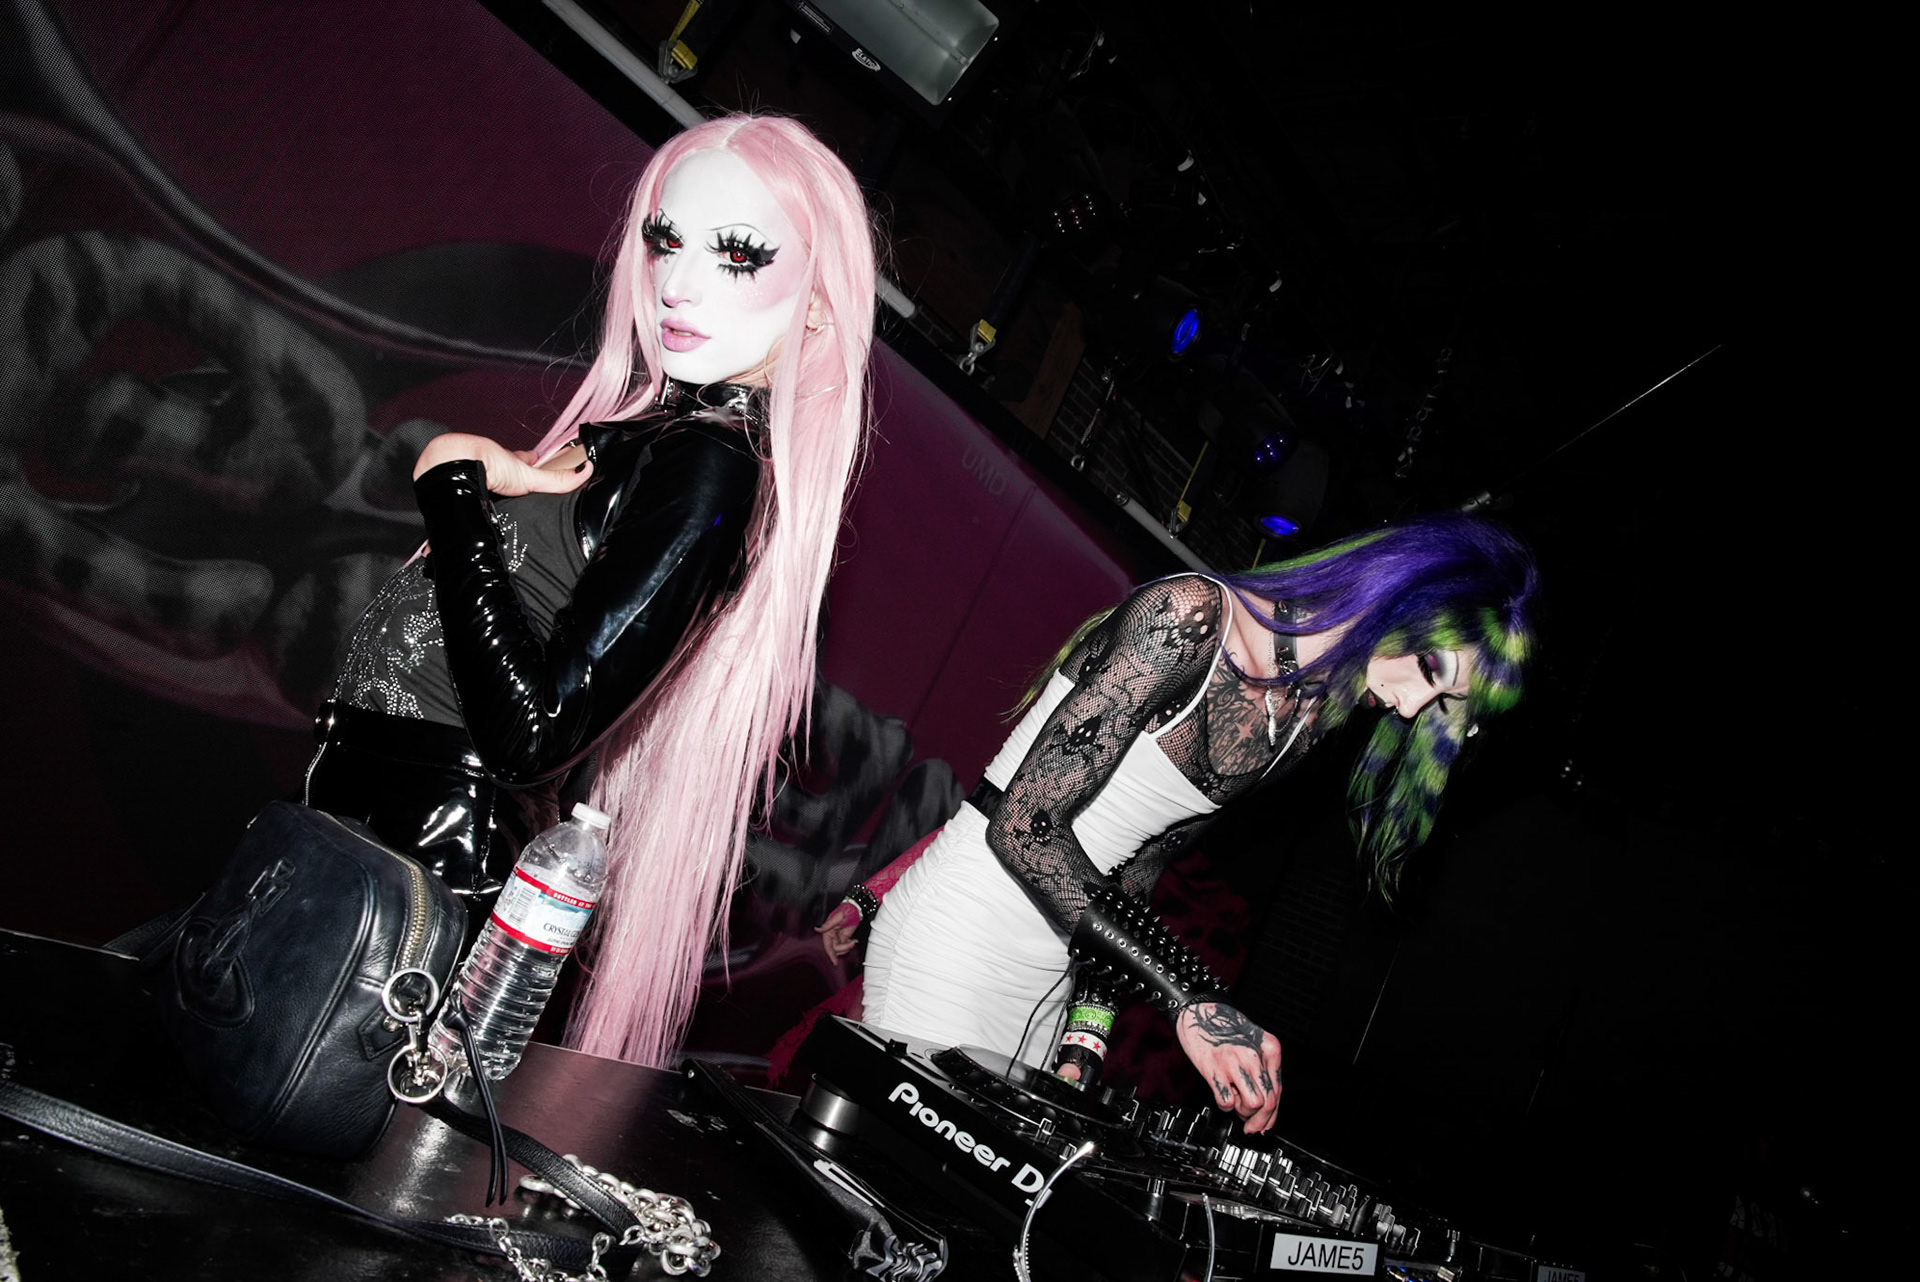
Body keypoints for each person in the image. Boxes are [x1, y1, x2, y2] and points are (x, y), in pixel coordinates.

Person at [307, 114, 878, 1068]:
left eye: (738, 255)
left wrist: (453, 484)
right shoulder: (652, 436)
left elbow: (534, 733)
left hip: (417, 870)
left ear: (819, 305)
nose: (678, 284)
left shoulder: (712, 464)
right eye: (666, 241)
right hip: (365, 834)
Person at [817, 514, 1536, 1132]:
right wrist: (1193, 995)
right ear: (1399, 596)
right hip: (960, 933)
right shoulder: (1190, 617)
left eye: (1444, 703)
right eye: (1430, 668)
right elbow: (1025, 826)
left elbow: (1140, 868)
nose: (1411, 708)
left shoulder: (1308, 718)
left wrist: (1086, 1035)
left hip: (1053, 973)